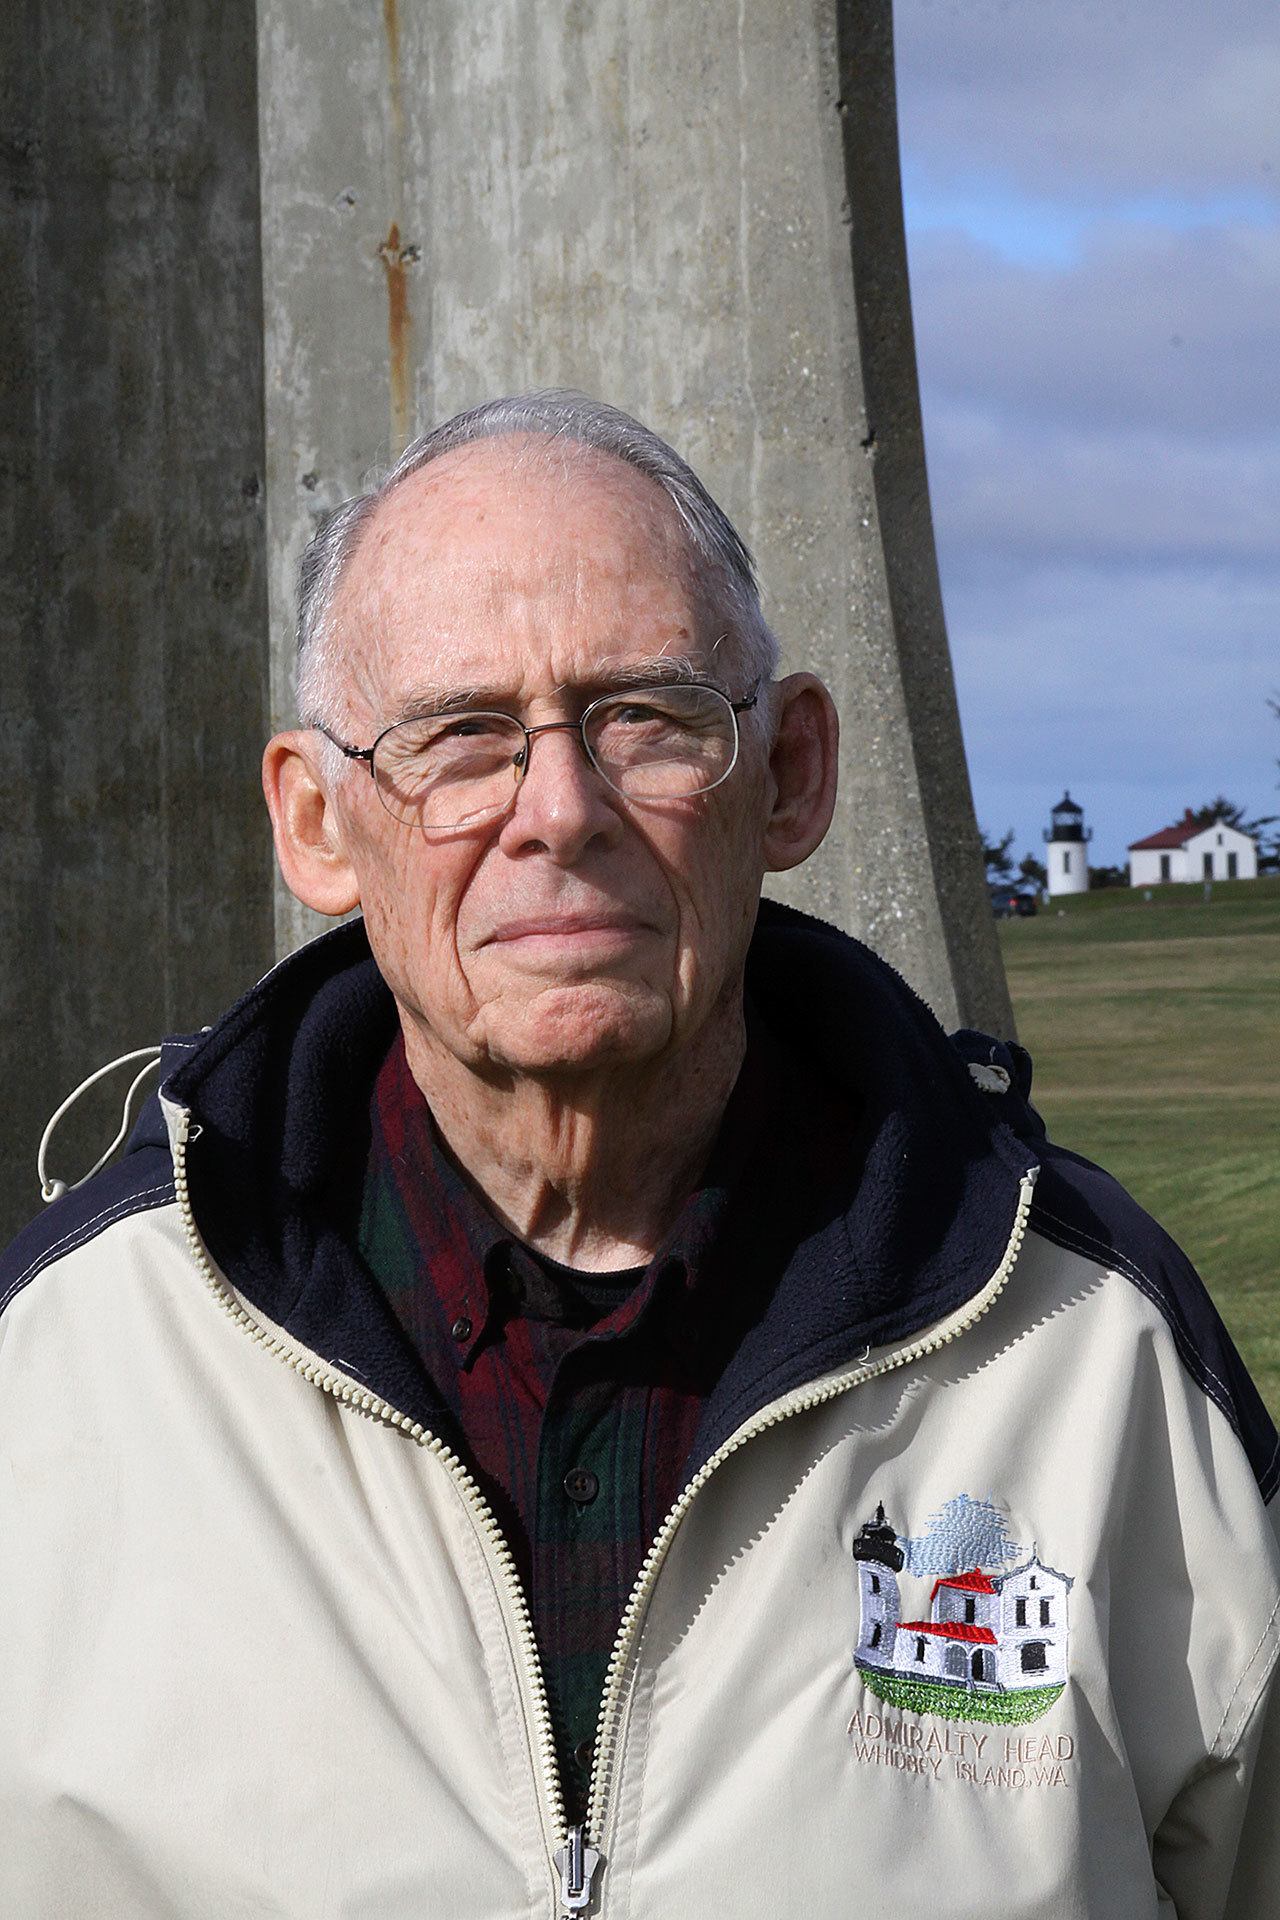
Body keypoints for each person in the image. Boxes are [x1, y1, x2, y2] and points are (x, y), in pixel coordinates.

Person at [1, 393, 1276, 1919]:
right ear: (318, 820)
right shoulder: (65, 1368)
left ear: (789, 774)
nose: (560, 811)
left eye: (647, 719)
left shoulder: (1087, 1351)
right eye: (459, 736)